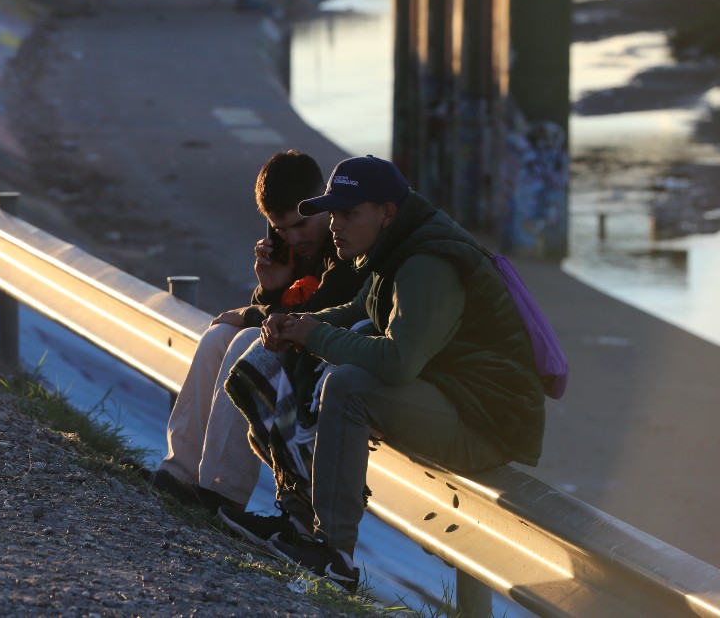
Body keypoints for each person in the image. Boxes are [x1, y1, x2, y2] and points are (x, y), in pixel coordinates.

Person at [227, 154, 546, 593]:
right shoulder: (392, 245)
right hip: (451, 396)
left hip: (486, 420)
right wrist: (295, 322)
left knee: (349, 387)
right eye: (334, 212)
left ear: (386, 213)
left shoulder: (426, 262)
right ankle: (302, 524)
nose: (335, 224)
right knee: (309, 364)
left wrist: (313, 335)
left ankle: (333, 556)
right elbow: (362, 310)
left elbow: (399, 361)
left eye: (349, 213)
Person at [150, 150, 362, 512]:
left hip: (330, 362)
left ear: (323, 206)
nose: (293, 239)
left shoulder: (342, 243)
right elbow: (282, 311)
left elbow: (310, 314)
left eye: (301, 225)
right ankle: (179, 473)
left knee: (248, 338)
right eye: (281, 230)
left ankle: (221, 491)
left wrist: (251, 311)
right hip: (294, 350)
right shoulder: (294, 249)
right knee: (217, 338)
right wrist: (269, 288)